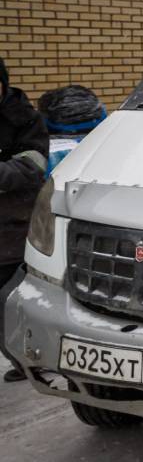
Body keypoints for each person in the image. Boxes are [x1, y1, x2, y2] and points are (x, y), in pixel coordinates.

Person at [0, 57, 50, 382]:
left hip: (14, 229)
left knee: (10, 304)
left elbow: (32, 167)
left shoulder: (24, 118)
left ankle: (30, 359)